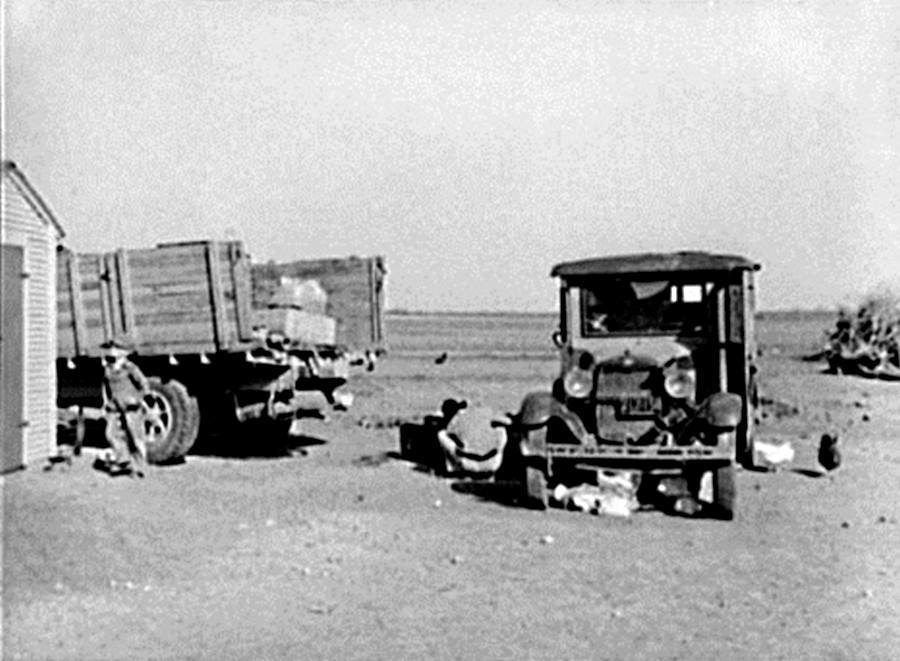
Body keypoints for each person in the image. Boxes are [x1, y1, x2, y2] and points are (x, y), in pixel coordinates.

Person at [101, 338, 150, 477]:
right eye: (110, 349)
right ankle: (123, 460)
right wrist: (105, 402)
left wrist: (141, 398)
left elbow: (143, 384)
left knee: (136, 437)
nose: (111, 352)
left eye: (115, 349)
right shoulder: (108, 368)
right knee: (111, 434)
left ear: (123, 353)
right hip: (114, 408)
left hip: (131, 408)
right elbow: (105, 386)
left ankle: (139, 467)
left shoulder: (130, 368)